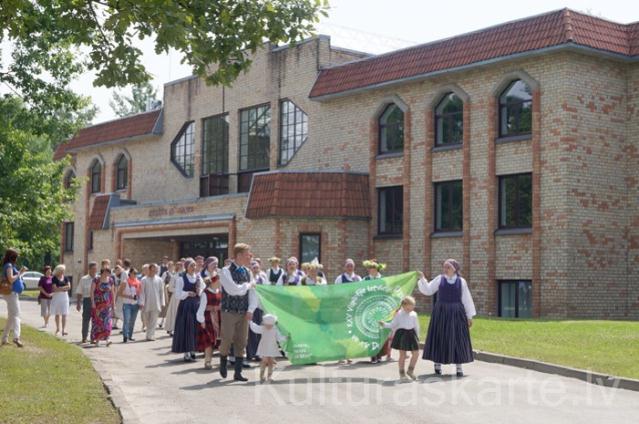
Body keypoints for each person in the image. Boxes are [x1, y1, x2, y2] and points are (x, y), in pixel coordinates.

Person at [418, 259, 476, 377]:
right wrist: (423, 279)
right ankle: (437, 364)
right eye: (444, 267)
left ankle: (459, 366)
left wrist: (469, 316)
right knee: (440, 335)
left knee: (457, 338)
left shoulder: (461, 281)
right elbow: (428, 290)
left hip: (456, 312)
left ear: (454, 269)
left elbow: (466, 299)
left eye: (447, 267)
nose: (445, 269)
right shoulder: (440, 279)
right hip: (441, 311)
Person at [218, 243, 258, 382]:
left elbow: (253, 293)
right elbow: (232, 290)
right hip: (229, 311)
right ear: (239, 255)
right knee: (227, 338)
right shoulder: (225, 270)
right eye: (248, 254)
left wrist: (251, 309)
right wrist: (247, 285)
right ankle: (223, 361)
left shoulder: (248, 272)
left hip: (243, 311)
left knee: (242, 341)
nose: (250, 256)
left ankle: (238, 372)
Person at [379, 296, 420, 380]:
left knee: (416, 353)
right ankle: (402, 374)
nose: (410, 310)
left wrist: (417, 337)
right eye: (408, 308)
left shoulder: (414, 314)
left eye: (412, 307)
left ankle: (410, 371)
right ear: (403, 305)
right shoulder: (399, 314)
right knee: (403, 355)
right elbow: (393, 324)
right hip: (402, 335)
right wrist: (385, 324)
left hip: (412, 334)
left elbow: (417, 326)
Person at [172, 258, 204, 362]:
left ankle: (193, 350)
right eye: (192, 266)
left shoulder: (198, 278)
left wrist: (200, 291)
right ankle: (186, 352)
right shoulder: (181, 279)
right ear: (186, 267)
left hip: (196, 305)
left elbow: (203, 290)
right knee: (187, 328)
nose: (194, 268)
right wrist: (187, 293)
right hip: (186, 306)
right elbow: (177, 294)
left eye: (195, 266)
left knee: (195, 328)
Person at [249, 314, 287, 383]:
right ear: (264, 323)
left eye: (270, 325)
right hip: (264, 347)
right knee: (264, 361)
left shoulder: (275, 329)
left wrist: (286, 338)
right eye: (267, 325)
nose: (269, 326)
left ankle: (269, 376)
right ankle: (261, 376)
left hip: (272, 347)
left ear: (273, 324)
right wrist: (250, 322)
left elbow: (279, 338)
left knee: (271, 362)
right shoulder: (262, 328)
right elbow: (255, 328)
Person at [196, 272, 222, 369]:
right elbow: (201, 309)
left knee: (219, 341)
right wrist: (201, 321)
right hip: (208, 319)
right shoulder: (205, 293)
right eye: (219, 280)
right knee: (209, 342)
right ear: (214, 282)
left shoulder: (219, 291)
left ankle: (222, 362)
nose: (220, 282)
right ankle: (207, 361)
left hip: (219, 318)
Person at [1, 248, 26, 347]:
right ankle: (16, 337)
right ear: (13, 257)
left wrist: (21, 272)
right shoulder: (9, 266)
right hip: (11, 293)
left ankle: (4, 338)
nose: (17, 258)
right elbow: (11, 279)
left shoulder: (10, 265)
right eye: (16, 256)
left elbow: (16, 278)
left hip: (12, 293)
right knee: (16, 316)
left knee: (11, 317)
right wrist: (19, 272)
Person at [247, 260, 267, 361]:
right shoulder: (248, 279)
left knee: (259, 330)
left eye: (257, 268)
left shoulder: (262, 278)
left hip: (260, 307)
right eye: (254, 268)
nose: (255, 269)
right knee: (251, 331)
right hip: (250, 307)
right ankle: (250, 353)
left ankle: (258, 353)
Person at [139, 263, 166, 341]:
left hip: (156, 302)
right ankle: (149, 333)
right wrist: (141, 302)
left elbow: (161, 292)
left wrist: (162, 302)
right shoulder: (144, 279)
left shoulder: (159, 280)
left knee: (154, 320)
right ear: (150, 269)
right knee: (146, 319)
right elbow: (142, 292)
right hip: (146, 302)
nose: (155, 270)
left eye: (156, 269)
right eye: (153, 269)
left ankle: (150, 335)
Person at [91, 267, 115, 346]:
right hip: (98, 305)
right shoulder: (96, 280)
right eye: (106, 272)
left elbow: (112, 293)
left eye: (108, 272)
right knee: (99, 323)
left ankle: (107, 340)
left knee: (107, 323)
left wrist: (113, 304)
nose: (107, 274)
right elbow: (91, 292)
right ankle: (97, 340)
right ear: (102, 271)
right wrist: (93, 303)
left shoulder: (110, 280)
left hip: (107, 305)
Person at [76, 262, 98, 343]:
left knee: (95, 320)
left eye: (96, 269)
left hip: (97, 301)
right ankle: (84, 337)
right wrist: (78, 303)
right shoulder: (84, 279)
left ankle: (93, 338)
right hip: (87, 300)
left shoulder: (98, 279)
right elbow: (79, 291)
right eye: (93, 269)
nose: (94, 271)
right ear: (89, 269)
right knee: (86, 319)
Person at [119, 268, 141, 343]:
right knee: (127, 320)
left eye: (136, 273)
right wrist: (129, 296)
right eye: (134, 273)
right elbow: (119, 293)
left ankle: (130, 336)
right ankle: (125, 336)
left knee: (132, 321)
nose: (135, 275)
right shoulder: (125, 282)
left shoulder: (138, 282)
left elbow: (139, 293)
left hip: (135, 304)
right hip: (127, 304)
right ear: (130, 273)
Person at [50, 264, 71, 336]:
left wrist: (60, 288)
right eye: (62, 270)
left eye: (63, 270)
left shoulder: (66, 278)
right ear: (58, 271)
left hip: (64, 297)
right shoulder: (54, 278)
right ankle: (58, 328)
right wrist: (63, 288)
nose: (63, 272)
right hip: (57, 297)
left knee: (64, 313)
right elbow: (54, 289)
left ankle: (64, 329)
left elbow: (69, 287)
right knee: (57, 313)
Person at [164, 260, 184, 336]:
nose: (181, 267)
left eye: (182, 266)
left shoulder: (185, 275)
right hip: (176, 298)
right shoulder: (174, 277)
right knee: (174, 313)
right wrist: (178, 290)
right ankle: (173, 329)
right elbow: (170, 288)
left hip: (183, 297)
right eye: (179, 266)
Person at [159, 261, 175, 329]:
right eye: (169, 266)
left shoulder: (174, 273)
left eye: (171, 265)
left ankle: (168, 321)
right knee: (166, 307)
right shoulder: (165, 273)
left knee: (171, 307)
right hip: (167, 291)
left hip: (173, 291)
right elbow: (162, 282)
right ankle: (162, 321)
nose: (170, 267)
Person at [112, 265, 127, 330]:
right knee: (117, 311)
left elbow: (122, 285)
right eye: (116, 271)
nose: (116, 272)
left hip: (121, 295)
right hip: (118, 295)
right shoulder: (116, 276)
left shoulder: (124, 274)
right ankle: (114, 324)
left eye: (118, 270)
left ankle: (126, 322)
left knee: (118, 311)